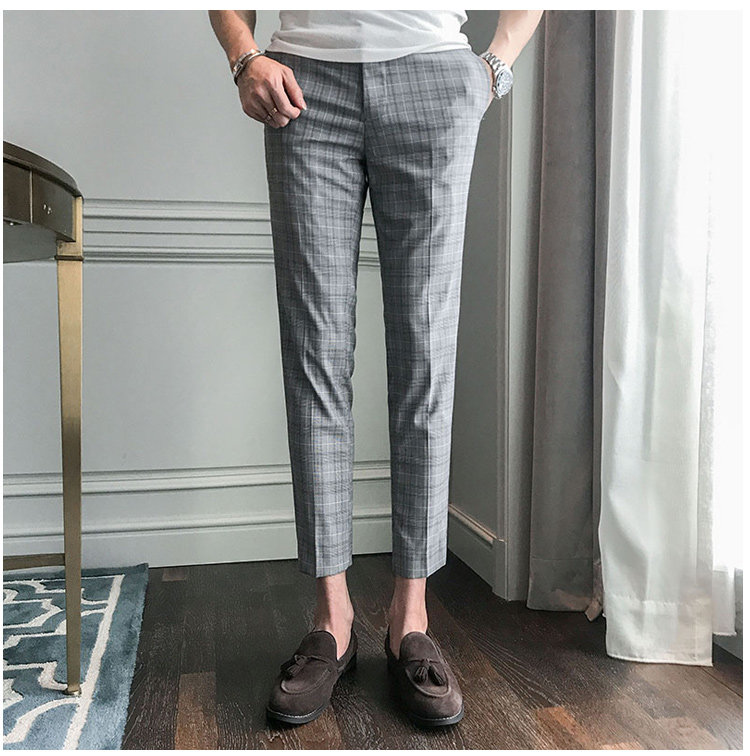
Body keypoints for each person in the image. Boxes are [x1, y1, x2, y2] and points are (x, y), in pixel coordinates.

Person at [208, 9, 543, 728]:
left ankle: (408, 618)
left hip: (434, 76)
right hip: (302, 84)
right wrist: (244, 56)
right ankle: (332, 621)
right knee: (315, 353)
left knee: (426, 356)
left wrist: (492, 68)